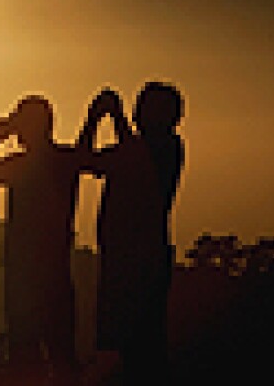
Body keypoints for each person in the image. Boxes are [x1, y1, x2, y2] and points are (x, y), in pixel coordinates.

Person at [0, 95, 99, 382]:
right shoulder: (64, 160)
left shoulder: (22, 165)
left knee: (25, 355)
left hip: (24, 271)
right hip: (54, 268)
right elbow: (87, 155)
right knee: (61, 354)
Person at [77, 83, 185, 385]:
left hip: (142, 261)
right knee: (127, 348)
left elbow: (137, 163)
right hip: (123, 258)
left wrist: (114, 117)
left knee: (144, 348)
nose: (137, 111)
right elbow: (83, 160)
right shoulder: (136, 148)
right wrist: (93, 120)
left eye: (144, 106)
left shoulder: (165, 147)